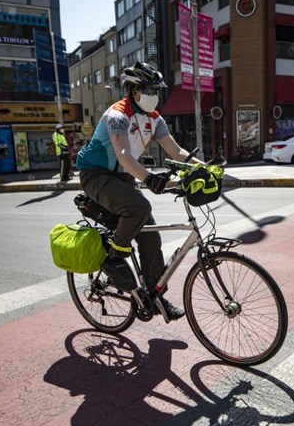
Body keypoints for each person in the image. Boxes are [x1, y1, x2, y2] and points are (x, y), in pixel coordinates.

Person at [75, 62, 202, 319]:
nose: (155, 95)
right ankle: (112, 257)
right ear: (134, 91)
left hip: (122, 177)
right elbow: (123, 155)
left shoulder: (154, 119)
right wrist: (150, 178)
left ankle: (156, 298)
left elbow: (177, 152)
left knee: (151, 237)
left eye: (157, 90)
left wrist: (206, 169)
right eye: (150, 89)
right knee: (139, 207)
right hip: (96, 174)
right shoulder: (117, 115)